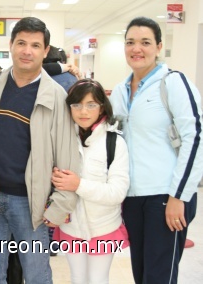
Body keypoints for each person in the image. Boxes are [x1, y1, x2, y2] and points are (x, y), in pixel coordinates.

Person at [0, 17, 80, 284]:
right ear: (10, 45)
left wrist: (60, 205)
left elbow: (68, 154)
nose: (27, 51)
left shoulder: (56, 96)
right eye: (21, 43)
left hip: (31, 204)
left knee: (36, 273)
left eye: (35, 45)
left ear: (45, 51)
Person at [110, 16, 203, 284]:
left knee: (159, 276)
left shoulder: (173, 83)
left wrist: (179, 197)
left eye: (145, 42)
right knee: (141, 273)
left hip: (166, 196)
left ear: (159, 46)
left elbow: (194, 138)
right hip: (132, 197)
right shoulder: (120, 91)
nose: (136, 48)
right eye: (130, 42)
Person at [52, 78, 130, 283]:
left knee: (98, 279)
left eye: (91, 105)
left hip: (105, 228)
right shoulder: (62, 140)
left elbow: (117, 192)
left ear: (102, 107)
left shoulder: (115, 143)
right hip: (71, 228)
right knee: (78, 278)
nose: (83, 111)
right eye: (76, 105)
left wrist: (79, 185)